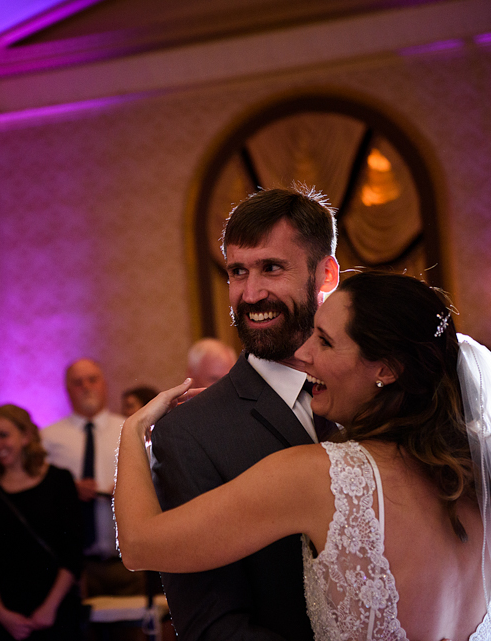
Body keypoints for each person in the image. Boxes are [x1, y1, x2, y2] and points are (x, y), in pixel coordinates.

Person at [117, 272, 491, 639]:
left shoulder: (322, 475)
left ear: (387, 369)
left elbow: (139, 545)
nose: (303, 353)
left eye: (326, 341)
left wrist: (132, 432)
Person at [150, 187, 339, 640]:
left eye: (271, 268)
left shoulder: (379, 398)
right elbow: (214, 627)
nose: (250, 294)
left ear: (325, 274)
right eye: (238, 272)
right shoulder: (190, 434)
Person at [0, 404, 83, 640]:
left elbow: (72, 552)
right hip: (6, 611)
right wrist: (1, 613)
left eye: (3, 435)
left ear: (26, 436)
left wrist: (50, 607)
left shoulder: (59, 481)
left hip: (56, 606)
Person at [42, 358, 138, 596]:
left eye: (92, 380)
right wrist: (68, 490)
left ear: (104, 384)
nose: (86, 387)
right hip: (73, 567)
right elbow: (39, 494)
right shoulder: (47, 438)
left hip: (128, 562)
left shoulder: (129, 429)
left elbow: (158, 481)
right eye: (77, 382)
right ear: (67, 390)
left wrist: (131, 489)